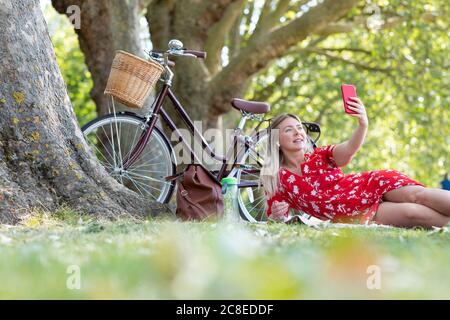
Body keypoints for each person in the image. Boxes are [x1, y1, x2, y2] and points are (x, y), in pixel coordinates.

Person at [260, 97, 450, 228]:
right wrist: (276, 215)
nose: (298, 132)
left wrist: (362, 124)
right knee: (412, 213)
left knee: (418, 196)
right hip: (356, 214)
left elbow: (349, 149)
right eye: (289, 130)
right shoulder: (277, 179)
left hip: (372, 185)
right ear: (277, 140)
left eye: (299, 128)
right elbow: (276, 217)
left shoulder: (319, 156)